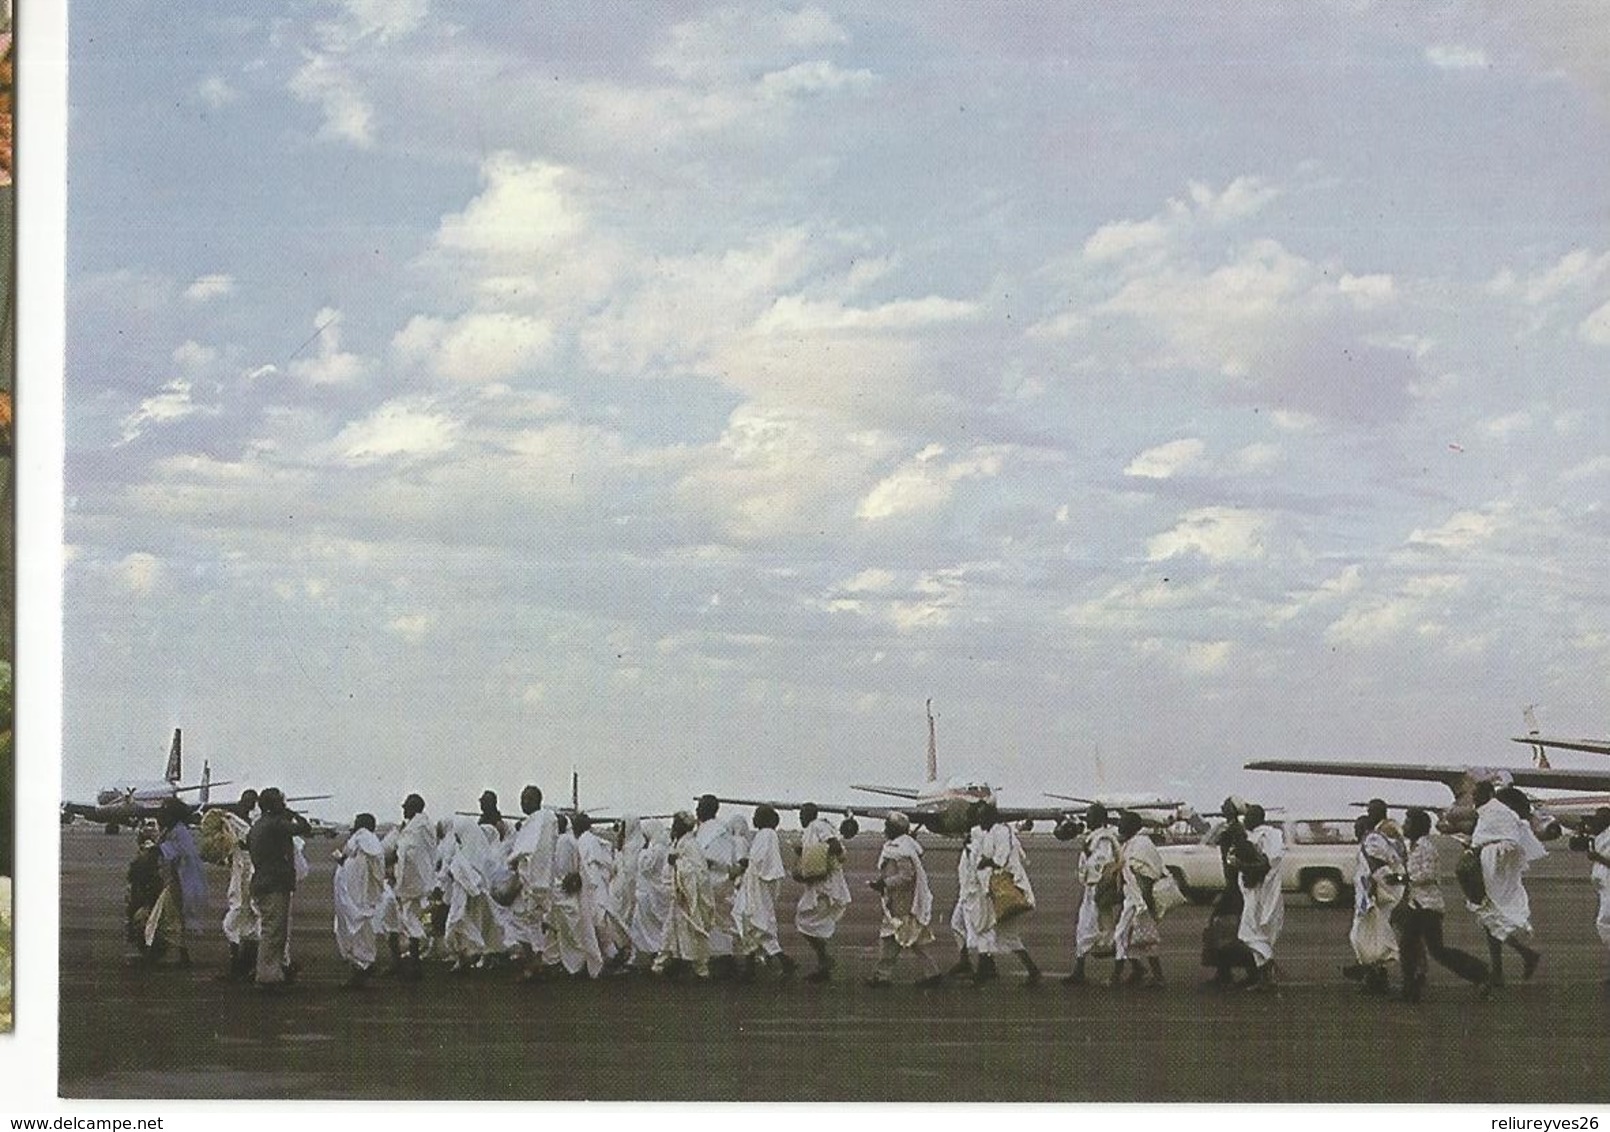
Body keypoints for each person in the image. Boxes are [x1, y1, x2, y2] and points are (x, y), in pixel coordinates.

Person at [1397, 807, 1488, 1002]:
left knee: (1433, 950)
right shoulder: (1412, 846)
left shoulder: (1425, 848)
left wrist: (1402, 878)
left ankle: (1480, 973)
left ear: (1416, 826)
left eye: (1407, 823)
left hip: (1428, 906)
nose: (1404, 826)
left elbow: (1428, 875)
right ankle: (1410, 990)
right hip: (1418, 904)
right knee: (1413, 947)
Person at [1469, 783, 1545, 988]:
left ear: (1490, 794)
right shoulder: (1490, 813)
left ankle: (1520, 958)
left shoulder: (1498, 813)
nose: (1474, 797)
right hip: (1490, 868)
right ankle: (1501, 969)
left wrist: (1486, 852)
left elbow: (1508, 842)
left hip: (1495, 871)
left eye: (1477, 794)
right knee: (1490, 918)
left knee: (1492, 915)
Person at [866, 812, 943, 988]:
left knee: (898, 938)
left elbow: (907, 875)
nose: (885, 830)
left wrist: (883, 884)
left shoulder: (901, 849)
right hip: (899, 899)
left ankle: (883, 977)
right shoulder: (905, 845)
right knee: (904, 939)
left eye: (888, 827)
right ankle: (930, 974)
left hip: (902, 902)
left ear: (895, 829)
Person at [246, 787, 312, 991]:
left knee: (272, 929)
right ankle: (267, 976)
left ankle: (271, 972)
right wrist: (292, 814)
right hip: (274, 882)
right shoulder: (275, 824)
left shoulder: (258, 825)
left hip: (263, 881)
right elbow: (304, 828)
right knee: (273, 931)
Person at [971, 802, 1042, 986]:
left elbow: (1000, 860)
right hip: (996, 890)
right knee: (1006, 935)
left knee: (986, 929)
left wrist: (987, 861)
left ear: (991, 817)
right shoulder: (991, 833)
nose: (980, 821)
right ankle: (1032, 970)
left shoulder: (1002, 832)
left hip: (1005, 888)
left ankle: (983, 973)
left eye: (982, 817)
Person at [732, 805, 796, 979]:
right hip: (755, 886)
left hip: (757, 887)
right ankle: (763, 964)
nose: (753, 819)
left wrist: (745, 863)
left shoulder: (766, 834)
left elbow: (760, 860)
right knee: (753, 924)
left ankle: (754, 967)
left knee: (752, 922)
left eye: (757, 816)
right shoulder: (765, 835)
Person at [1200, 797, 1258, 988]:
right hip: (1232, 887)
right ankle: (1227, 972)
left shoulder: (1234, 831)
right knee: (1225, 931)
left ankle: (1246, 972)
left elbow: (1208, 838)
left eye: (1225, 805)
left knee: (1229, 931)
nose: (1221, 807)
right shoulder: (1231, 828)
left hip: (1235, 889)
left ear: (1232, 809)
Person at [1344, 812, 1404, 996]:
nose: (1354, 831)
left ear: (1362, 828)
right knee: (1372, 937)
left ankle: (1372, 976)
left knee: (1363, 936)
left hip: (1373, 898)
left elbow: (1376, 867)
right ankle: (1372, 975)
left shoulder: (1371, 841)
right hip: (1372, 896)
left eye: (1356, 827)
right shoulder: (1381, 840)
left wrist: (1372, 891)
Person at [793, 802, 851, 982]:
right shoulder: (811, 829)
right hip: (819, 884)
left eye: (803, 814)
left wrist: (811, 857)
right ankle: (824, 962)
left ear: (810, 814)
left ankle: (825, 959)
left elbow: (834, 846)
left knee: (805, 921)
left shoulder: (818, 826)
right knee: (807, 922)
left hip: (826, 883)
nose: (801, 818)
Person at [381, 793, 436, 980]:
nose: (403, 809)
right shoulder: (418, 827)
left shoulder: (416, 830)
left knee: (408, 921)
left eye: (406, 806)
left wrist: (396, 875)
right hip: (413, 882)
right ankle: (401, 962)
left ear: (413, 808)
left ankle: (413, 965)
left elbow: (408, 856)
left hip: (410, 884)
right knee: (399, 921)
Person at [146, 798, 206, 968]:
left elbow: (181, 851)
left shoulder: (180, 832)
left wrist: (157, 850)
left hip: (180, 881)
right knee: (171, 918)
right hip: (174, 880)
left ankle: (155, 954)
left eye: (164, 813)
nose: (160, 816)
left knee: (163, 917)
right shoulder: (172, 830)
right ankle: (181, 954)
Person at [1064, 802, 1119, 986]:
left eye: (1091, 816)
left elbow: (1103, 863)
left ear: (1100, 819)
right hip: (1092, 888)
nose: (1087, 819)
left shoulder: (1103, 839)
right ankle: (1079, 969)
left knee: (1090, 928)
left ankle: (1080, 970)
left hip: (1098, 887)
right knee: (1090, 928)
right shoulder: (1095, 837)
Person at [505, 785, 558, 980]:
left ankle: (531, 965)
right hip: (542, 881)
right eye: (522, 798)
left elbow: (526, 850)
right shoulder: (547, 821)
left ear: (536, 801)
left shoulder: (534, 823)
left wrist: (511, 862)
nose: (522, 802)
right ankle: (538, 963)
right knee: (533, 924)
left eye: (526, 798)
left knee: (522, 922)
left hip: (529, 882)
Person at [209, 790, 261, 981]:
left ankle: (242, 965)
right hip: (244, 868)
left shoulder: (246, 823)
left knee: (240, 914)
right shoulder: (238, 821)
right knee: (243, 914)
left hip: (248, 869)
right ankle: (243, 965)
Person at [655, 811, 713, 978]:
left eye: (676, 824)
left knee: (690, 931)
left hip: (687, 897)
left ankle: (696, 968)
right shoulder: (680, 843)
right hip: (679, 895)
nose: (673, 827)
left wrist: (677, 863)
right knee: (672, 932)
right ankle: (666, 964)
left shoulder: (690, 845)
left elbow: (698, 872)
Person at [333, 813, 386, 988]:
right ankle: (363, 966)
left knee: (357, 931)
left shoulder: (361, 842)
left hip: (358, 898)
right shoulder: (366, 843)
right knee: (361, 930)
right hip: (358, 897)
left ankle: (362, 968)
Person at [1113, 810, 1165, 988]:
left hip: (1139, 898)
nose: (1119, 826)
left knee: (1121, 935)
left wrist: (1144, 901)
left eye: (1122, 823)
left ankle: (1116, 976)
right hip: (1134, 897)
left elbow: (1146, 874)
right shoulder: (1132, 843)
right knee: (1137, 938)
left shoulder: (1140, 844)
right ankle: (1145, 973)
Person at [1235, 803, 1284, 991]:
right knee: (1257, 933)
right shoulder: (1258, 835)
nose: (1245, 820)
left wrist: (1243, 865)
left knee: (1249, 933)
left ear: (1256, 818)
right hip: (1255, 892)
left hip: (1262, 892)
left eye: (1248, 816)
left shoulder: (1268, 836)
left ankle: (1269, 964)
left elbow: (1266, 863)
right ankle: (1266, 978)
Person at [550, 810, 604, 978]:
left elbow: (567, 870)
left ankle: (577, 965)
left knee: (572, 929)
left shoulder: (565, 841)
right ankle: (571, 964)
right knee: (569, 930)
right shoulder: (563, 840)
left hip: (566, 891)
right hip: (563, 890)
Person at [575, 813, 628, 973]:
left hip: (593, 888)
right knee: (599, 923)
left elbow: (590, 866)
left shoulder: (586, 841)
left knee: (598, 922)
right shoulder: (590, 840)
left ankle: (611, 956)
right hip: (596, 887)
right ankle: (609, 956)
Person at [694, 795, 739, 976]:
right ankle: (714, 957)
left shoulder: (719, 831)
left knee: (719, 920)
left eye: (700, 807)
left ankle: (725, 959)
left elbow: (721, 860)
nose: (697, 810)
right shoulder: (706, 830)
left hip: (717, 881)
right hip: (707, 881)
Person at [630, 820, 673, 964]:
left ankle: (654, 954)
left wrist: (642, 852)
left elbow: (646, 868)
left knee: (649, 928)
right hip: (654, 892)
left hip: (651, 893)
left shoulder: (657, 850)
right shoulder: (662, 848)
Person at [1584, 807, 1610, 988]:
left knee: (1604, 924)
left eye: (1600, 818)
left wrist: (1597, 858)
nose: (1596, 821)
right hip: (1604, 887)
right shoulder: (1601, 835)